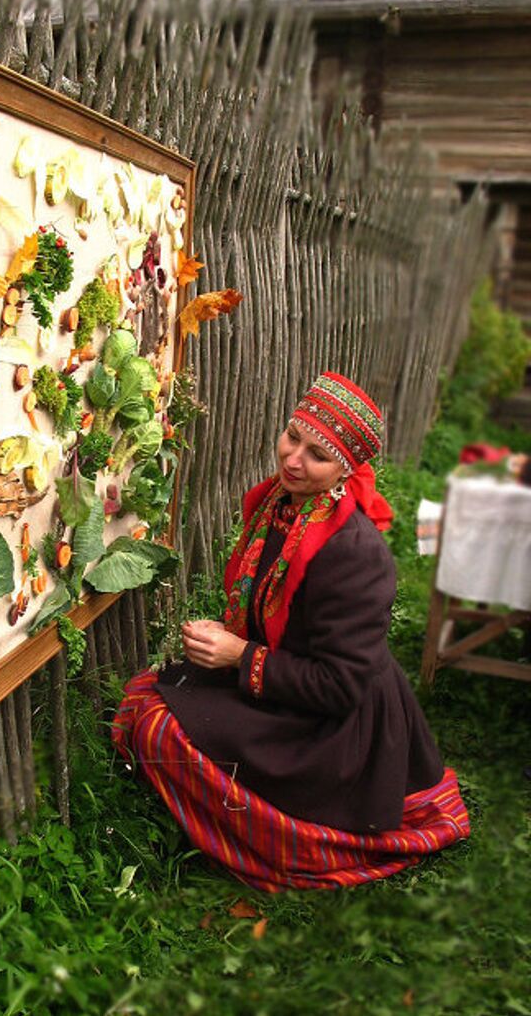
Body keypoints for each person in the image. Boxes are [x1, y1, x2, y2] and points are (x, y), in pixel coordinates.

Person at [113, 371, 470, 892]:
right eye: (292, 436)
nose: (292, 459)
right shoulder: (281, 508)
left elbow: (340, 685)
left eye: (316, 455)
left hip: (335, 725)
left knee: (157, 728)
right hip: (285, 680)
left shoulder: (355, 554)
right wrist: (237, 641)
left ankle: (280, 833)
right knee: (147, 695)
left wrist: (239, 657)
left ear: (346, 468)